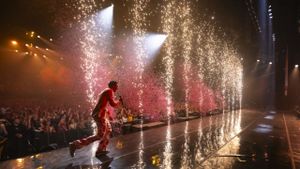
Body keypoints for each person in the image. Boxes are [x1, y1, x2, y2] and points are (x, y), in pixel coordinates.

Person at [69, 81, 122, 157]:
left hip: (100, 115)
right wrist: (119, 102)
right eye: (117, 86)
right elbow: (113, 104)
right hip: (99, 115)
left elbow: (102, 104)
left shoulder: (106, 91)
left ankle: (100, 150)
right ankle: (75, 144)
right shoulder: (109, 91)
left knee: (108, 130)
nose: (118, 87)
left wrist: (108, 114)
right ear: (113, 86)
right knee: (100, 135)